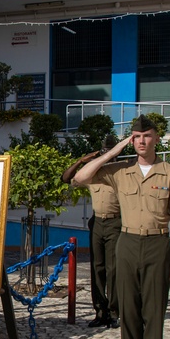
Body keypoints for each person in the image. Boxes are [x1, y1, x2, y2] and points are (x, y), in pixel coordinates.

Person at [71, 115, 170, 339]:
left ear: (156, 138)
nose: (142, 141)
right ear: (131, 140)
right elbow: (80, 178)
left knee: (153, 313)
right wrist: (113, 151)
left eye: (146, 136)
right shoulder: (121, 171)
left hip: (157, 244)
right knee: (129, 314)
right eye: (136, 136)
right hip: (127, 242)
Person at [61, 136, 121, 328]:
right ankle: (100, 311)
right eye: (103, 153)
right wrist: (81, 161)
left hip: (116, 222)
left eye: (109, 153)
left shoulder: (121, 173)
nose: (106, 157)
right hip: (97, 222)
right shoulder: (92, 175)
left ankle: (114, 312)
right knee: (97, 268)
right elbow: (67, 178)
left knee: (113, 270)